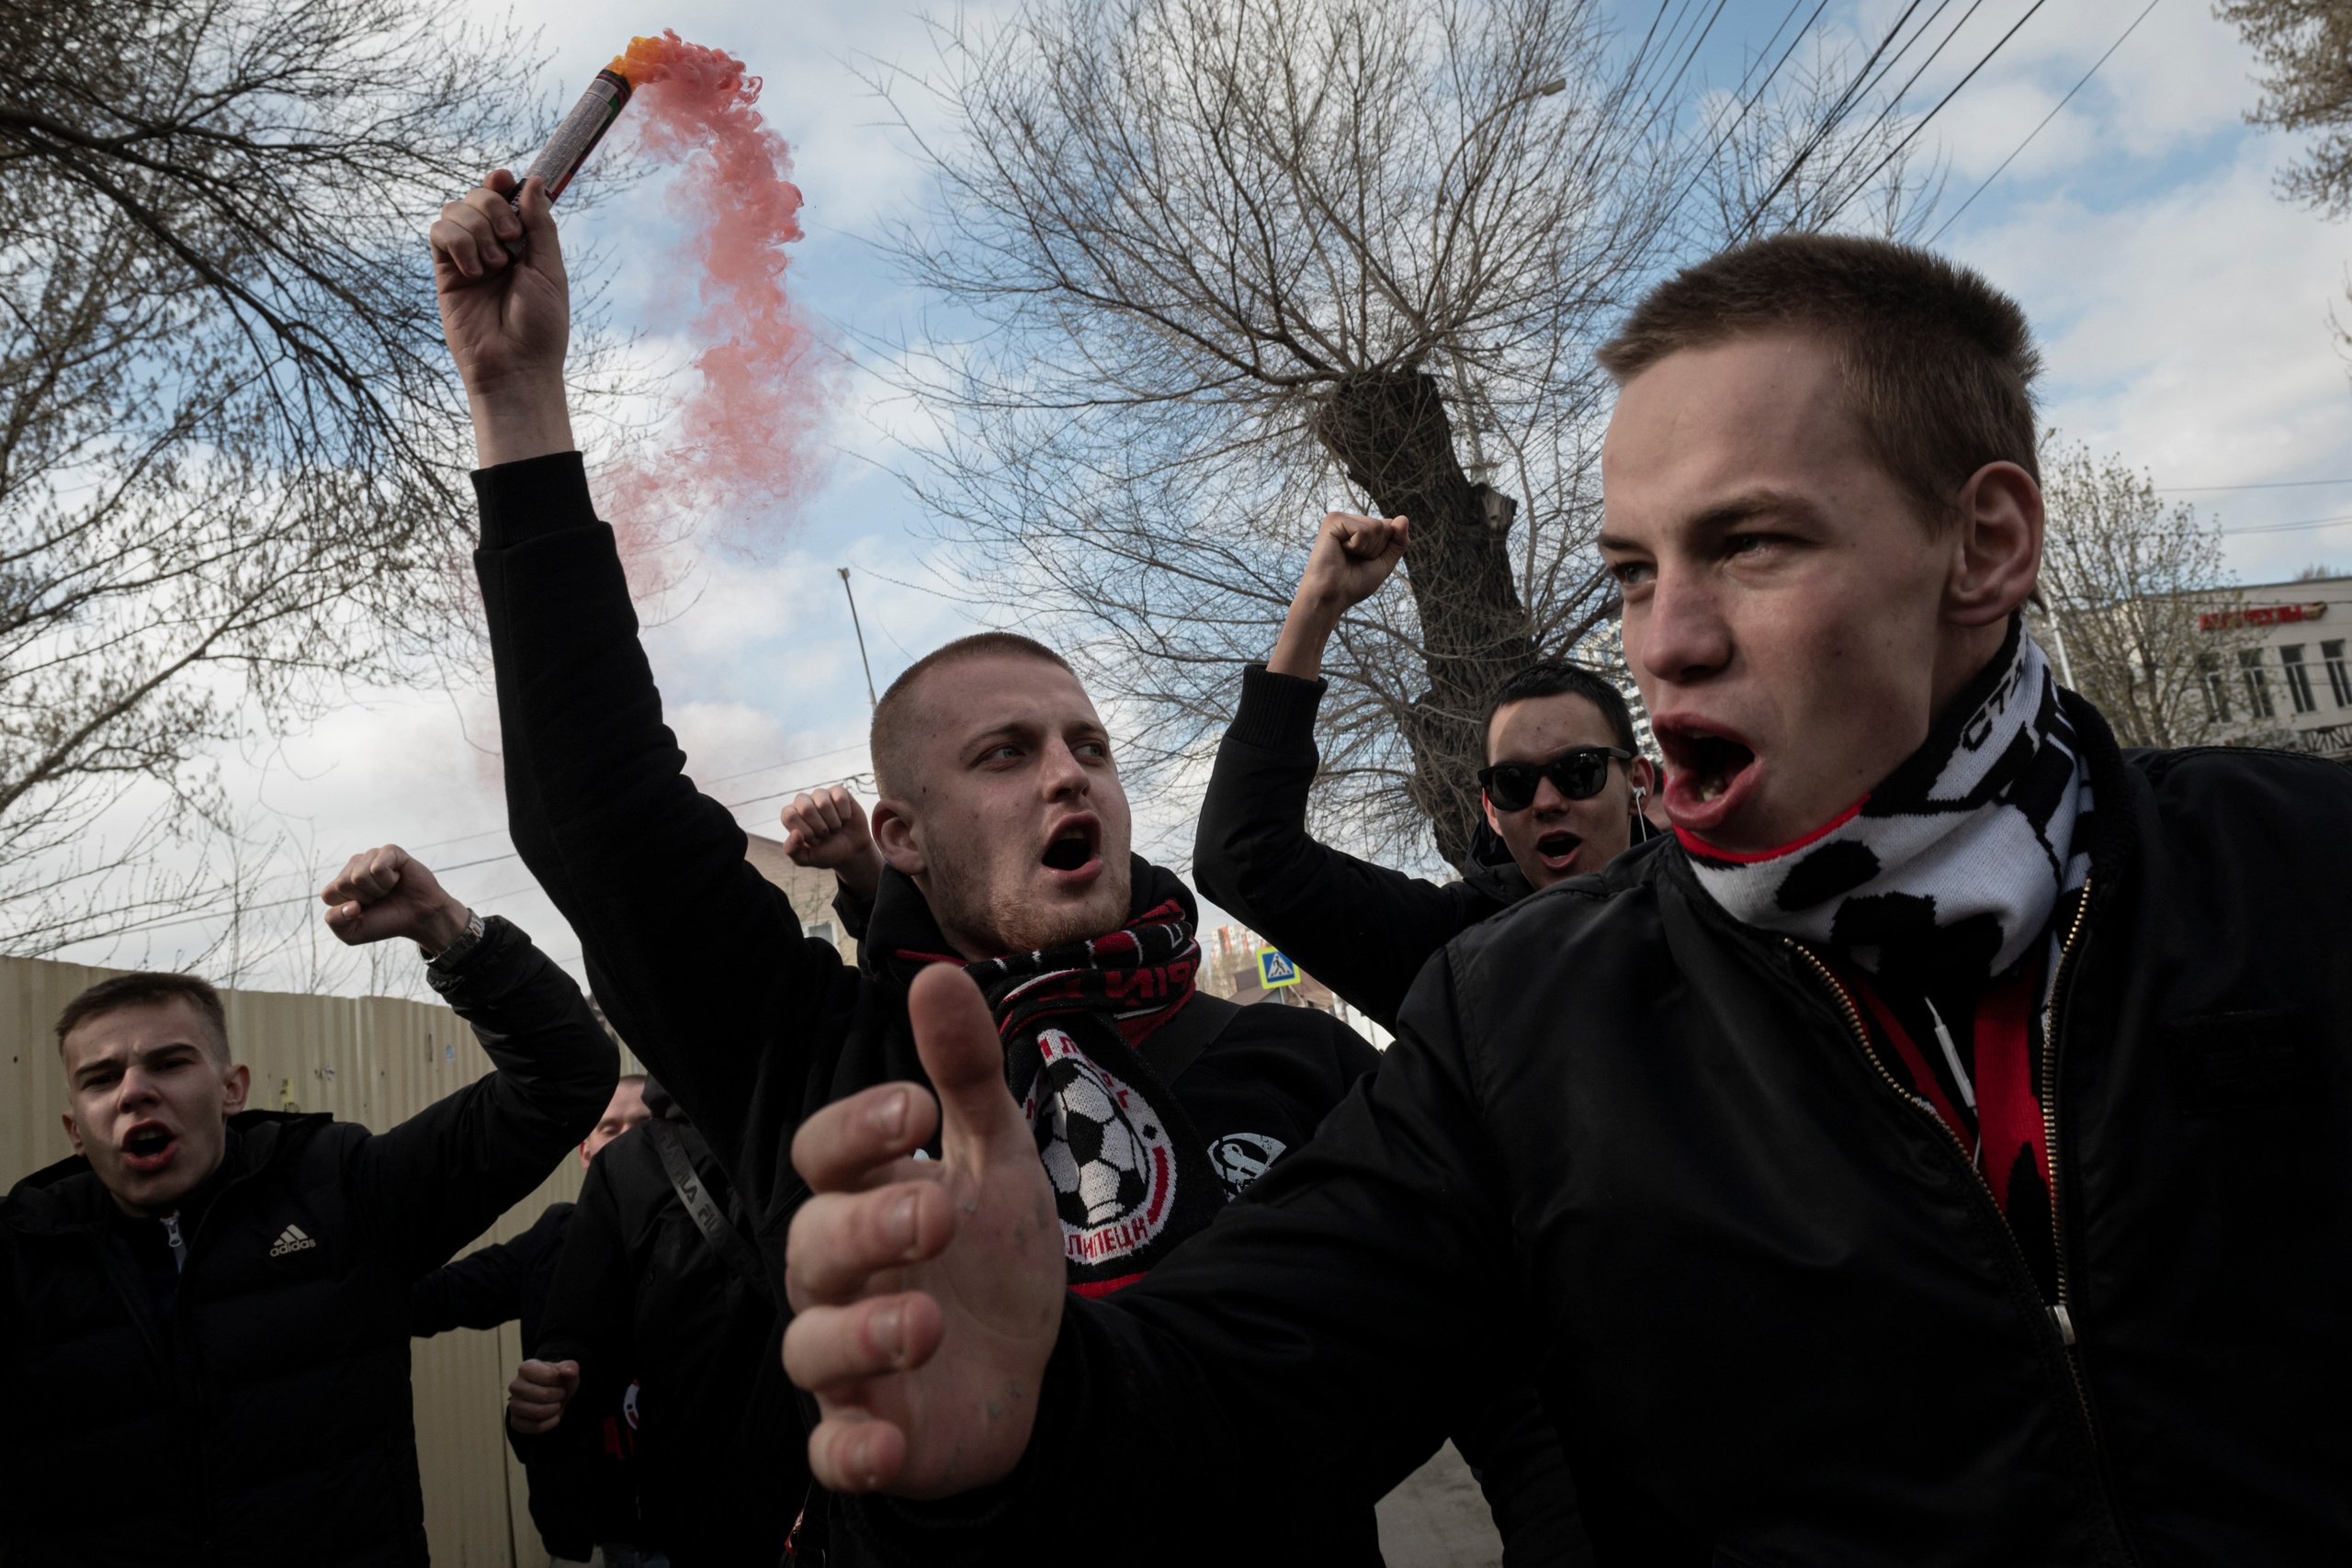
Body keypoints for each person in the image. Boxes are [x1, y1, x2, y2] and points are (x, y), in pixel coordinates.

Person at [778, 232, 2352, 1566]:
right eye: (1627, 573)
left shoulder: (2298, 866)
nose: (1665, 640)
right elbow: (1242, 1393)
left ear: (1985, 543)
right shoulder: (1524, 1021)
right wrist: (1023, 1420)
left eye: (1747, 544)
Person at [426, 168, 1576, 1561]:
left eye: (1086, 740)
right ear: (898, 834)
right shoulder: (829, 1067)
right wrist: (516, 404)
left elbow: (1505, 1388)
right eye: (1003, 753)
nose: (1066, 770)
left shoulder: (1300, 1066)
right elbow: (602, 815)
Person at [0, 844, 617, 1566]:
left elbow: (564, 1078)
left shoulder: (340, 1191)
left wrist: (443, 925)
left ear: (232, 1088)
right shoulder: (24, 1252)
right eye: (102, 1077)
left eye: (169, 1062)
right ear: (76, 1128)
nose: (134, 1088)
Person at [1196, 516, 1657, 1027]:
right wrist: (1318, 606)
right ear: (1492, 811)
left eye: (1578, 770)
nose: (1546, 801)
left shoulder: (1723, 905)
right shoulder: (1453, 952)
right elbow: (1244, 858)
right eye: (1514, 784)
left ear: (1638, 778)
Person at [504, 1080, 801, 1566]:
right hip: (696, 1521)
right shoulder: (629, 1171)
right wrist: (552, 1391)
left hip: (856, 1502)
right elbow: (584, 1338)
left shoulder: (851, 1120)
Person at [408, 1074, 651, 1565]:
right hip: (609, 1534)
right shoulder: (553, 1243)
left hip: (712, 1524)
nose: (626, 1140)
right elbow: (439, 1296)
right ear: (586, 1151)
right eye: (610, 1128)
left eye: (644, 1126)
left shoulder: (720, 1240)